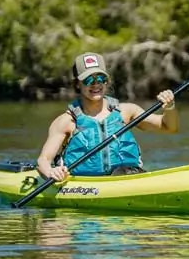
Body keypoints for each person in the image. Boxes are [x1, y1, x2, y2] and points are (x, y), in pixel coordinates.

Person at [34, 52, 179, 180]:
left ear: (107, 81)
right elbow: (43, 160)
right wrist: (52, 172)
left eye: (101, 79)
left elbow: (168, 127)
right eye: (88, 80)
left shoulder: (127, 112)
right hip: (86, 184)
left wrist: (169, 107)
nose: (96, 84)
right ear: (77, 84)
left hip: (129, 177)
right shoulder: (66, 121)